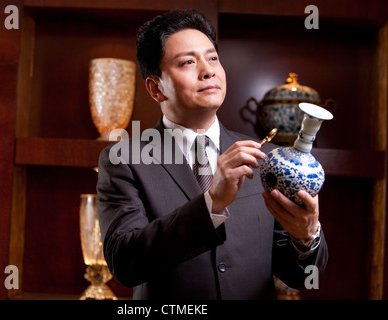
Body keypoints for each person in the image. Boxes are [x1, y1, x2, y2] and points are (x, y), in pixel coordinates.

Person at [96, 8, 328, 300]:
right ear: (156, 89)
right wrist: (212, 202)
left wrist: (306, 237)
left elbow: (302, 279)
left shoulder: (268, 158)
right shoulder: (125, 160)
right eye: (188, 62)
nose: (208, 71)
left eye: (213, 58)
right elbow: (126, 263)